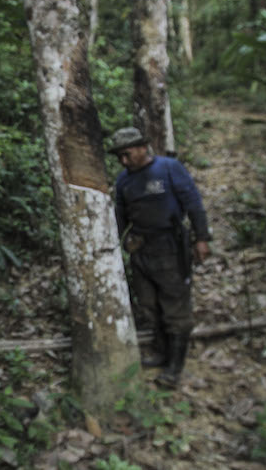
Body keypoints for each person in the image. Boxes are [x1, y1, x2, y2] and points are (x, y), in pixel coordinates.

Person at [109, 127, 211, 387]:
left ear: (143, 148)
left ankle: (174, 368)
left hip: (170, 246)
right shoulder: (123, 181)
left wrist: (201, 238)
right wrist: (116, 245)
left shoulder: (168, 168)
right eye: (119, 156)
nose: (124, 161)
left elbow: (193, 203)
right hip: (141, 248)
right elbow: (119, 216)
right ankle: (162, 353)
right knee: (149, 304)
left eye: (127, 154)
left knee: (175, 305)